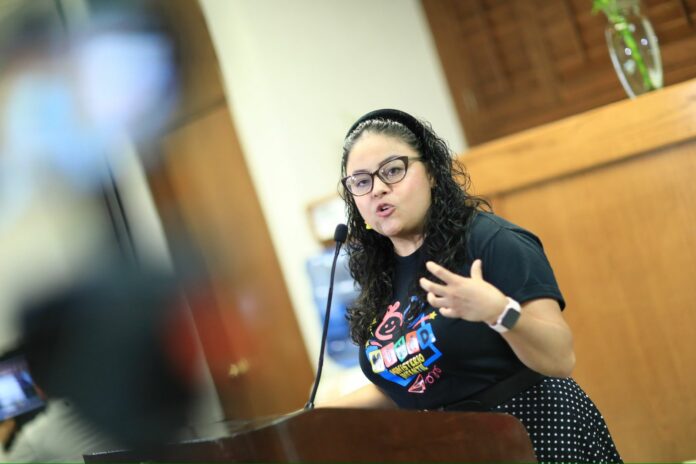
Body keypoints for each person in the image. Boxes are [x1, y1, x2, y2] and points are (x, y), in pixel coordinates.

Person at [325, 108, 622, 463]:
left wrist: (498, 312)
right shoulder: (380, 275)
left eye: (393, 170)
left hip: (538, 436)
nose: (378, 189)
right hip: (454, 448)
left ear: (432, 172)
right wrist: (315, 417)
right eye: (361, 182)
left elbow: (560, 357)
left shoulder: (490, 241)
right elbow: (407, 384)